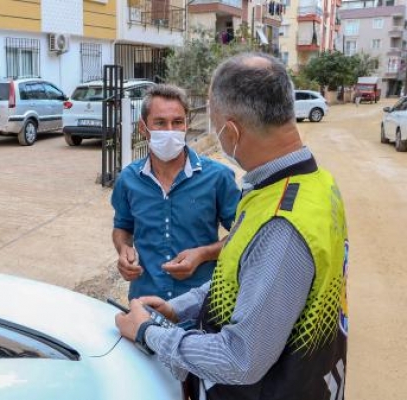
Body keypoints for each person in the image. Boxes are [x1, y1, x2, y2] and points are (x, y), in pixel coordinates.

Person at [115, 52, 349, 400]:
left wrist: (150, 332)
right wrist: (181, 307)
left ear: (232, 129)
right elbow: (246, 276)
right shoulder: (309, 185)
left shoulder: (281, 223)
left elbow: (240, 359)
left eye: (213, 124)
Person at [111, 84, 240, 312]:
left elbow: (243, 236)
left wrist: (202, 254)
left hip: (200, 306)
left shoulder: (218, 178)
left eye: (177, 122)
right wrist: (123, 250)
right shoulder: (128, 179)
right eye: (160, 123)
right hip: (144, 305)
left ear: (186, 125)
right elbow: (122, 227)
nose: (170, 130)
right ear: (143, 128)